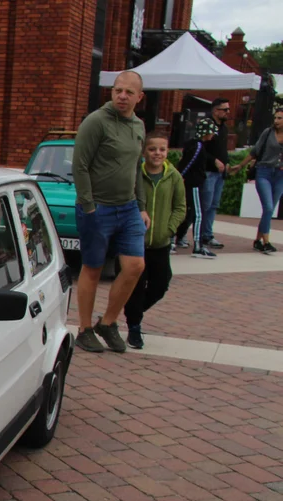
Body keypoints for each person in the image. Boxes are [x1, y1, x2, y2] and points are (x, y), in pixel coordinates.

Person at [71, 70, 149, 354]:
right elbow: (79, 166)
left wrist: (141, 206)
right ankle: (84, 328)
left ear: (139, 97)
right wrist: (89, 205)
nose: (122, 96)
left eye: (129, 92)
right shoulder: (96, 122)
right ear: (111, 92)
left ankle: (108, 322)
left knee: (135, 267)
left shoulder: (138, 126)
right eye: (118, 90)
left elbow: (136, 168)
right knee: (92, 268)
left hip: (127, 208)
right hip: (98, 208)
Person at [123, 132, 185, 349]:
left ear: (167, 151)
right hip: (135, 244)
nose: (157, 153)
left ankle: (133, 312)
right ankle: (134, 328)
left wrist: (169, 229)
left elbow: (180, 207)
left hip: (160, 243)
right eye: (152, 149)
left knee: (160, 284)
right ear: (144, 151)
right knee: (136, 287)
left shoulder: (173, 176)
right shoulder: (135, 174)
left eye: (162, 149)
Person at [231, 107, 283, 254]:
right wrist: (240, 165)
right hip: (264, 172)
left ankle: (258, 241)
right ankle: (266, 242)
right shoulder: (268, 133)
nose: (276, 121)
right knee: (267, 207)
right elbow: (255, 151)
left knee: (269, 210)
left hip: (280, 175)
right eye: (276, 117)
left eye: (280, 118)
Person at [173, 118, 217, 258]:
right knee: (198, 213)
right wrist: (180, 177)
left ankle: (175, 240)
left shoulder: (193, 145)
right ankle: (198, 245)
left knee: (187, 212)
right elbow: (188, 163)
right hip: (193, 184)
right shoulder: (198, 146)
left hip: (190, 182)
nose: (212, 135)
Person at [198, 98, 231, 251]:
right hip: (209, 171)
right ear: (215, 110)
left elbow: (223, 148)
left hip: (220, 173)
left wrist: (227, 161)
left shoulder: (224, 128)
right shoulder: (207, 125)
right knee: (205, 204)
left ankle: (207, 234)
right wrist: (214, 161)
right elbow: (201, 148)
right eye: (225, 109)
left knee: (214, 205)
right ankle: (196, 234)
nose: (227, 112)